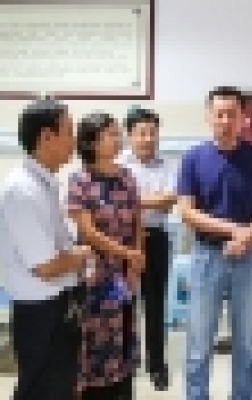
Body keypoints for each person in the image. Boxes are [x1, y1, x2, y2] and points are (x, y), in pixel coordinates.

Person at [177, 86, 252, 400]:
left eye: (231, 114)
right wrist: (234, 229)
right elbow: (186, 211)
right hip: (207, 256)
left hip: (248, 257)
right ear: (209, 117)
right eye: (219, 114)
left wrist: (247, 235)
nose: (225, 120)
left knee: (246, 342)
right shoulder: (193, 158)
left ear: (242, 117)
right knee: (199, 342)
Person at [0, 99, 91, 400]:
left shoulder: (45, 184)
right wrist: (83, 254)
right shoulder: (22, 190)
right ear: (46, 137)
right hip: (41, 312)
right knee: (42, 390)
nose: (74, 139)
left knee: (59, 388)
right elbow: (46, 266)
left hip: (58, 305)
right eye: (69, 131)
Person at [67, 112, 145, 399]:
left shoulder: (127, 176)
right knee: (95, 337)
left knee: (123, 332)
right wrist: (127, 253)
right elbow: (88, 232)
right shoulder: (80, 180)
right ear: (91, 142)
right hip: (95, 272)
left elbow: (137, 220)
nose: (117, 139)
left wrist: (135, 261)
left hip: (125, 270)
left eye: (116, 133)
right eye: (110, 134)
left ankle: (121, 389)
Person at [120, 107, 177, 390]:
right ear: (129, 134)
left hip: (156, 239)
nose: (148, 138)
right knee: (123, 303)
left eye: (153, 132)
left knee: (155, 305)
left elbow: (169, 200)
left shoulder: (168, 165)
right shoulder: (118, 163)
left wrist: (131, 200)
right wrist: (148, 200)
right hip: (121, 241)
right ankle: (124, 364)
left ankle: (157, 366)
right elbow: (117, 203)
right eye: (141, 133)